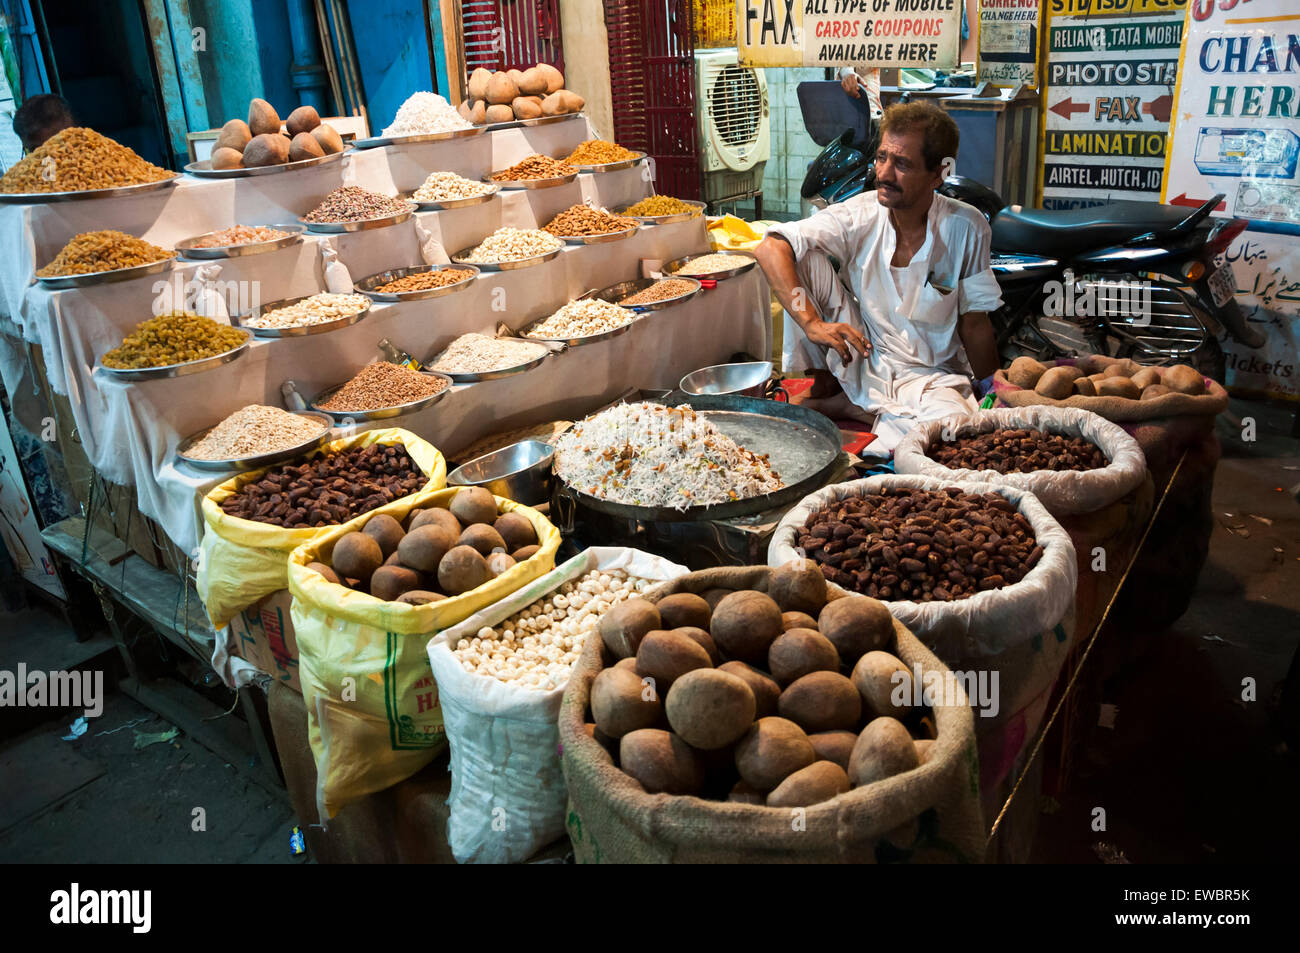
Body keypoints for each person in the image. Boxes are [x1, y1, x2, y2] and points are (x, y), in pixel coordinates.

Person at [754, 100, 1001, 457]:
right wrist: (812, 324)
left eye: (902, 164)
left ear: (940, 172)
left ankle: (848, 407)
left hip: (932, 377)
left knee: (953, 436)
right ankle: (827, 387)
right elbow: (770, 247)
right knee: (799, 252)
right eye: (881, 157)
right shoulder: (862, 213)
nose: (883, 174)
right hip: (866, 352)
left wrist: (994, 390)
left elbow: (975, 324)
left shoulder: (967, 227)